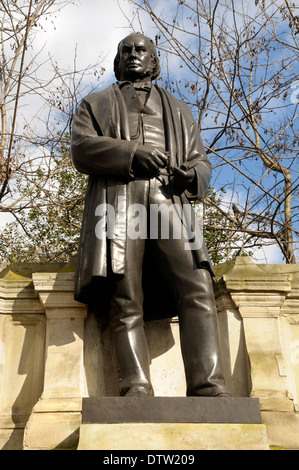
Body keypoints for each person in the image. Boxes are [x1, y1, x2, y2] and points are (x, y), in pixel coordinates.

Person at [71, 32, 230, 398]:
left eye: (140, 49)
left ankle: (208, 385)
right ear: (118, 60)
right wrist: (132, 153)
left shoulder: (179, 109)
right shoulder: (95, 104)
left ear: (154, 60)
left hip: (168, 198)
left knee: (197, 284)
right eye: (125, 50)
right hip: (119, 201)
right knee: (124, 293)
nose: (132, 55)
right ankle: (136, 386)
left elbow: (200, 161)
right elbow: (82, 148)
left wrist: (192, 176)